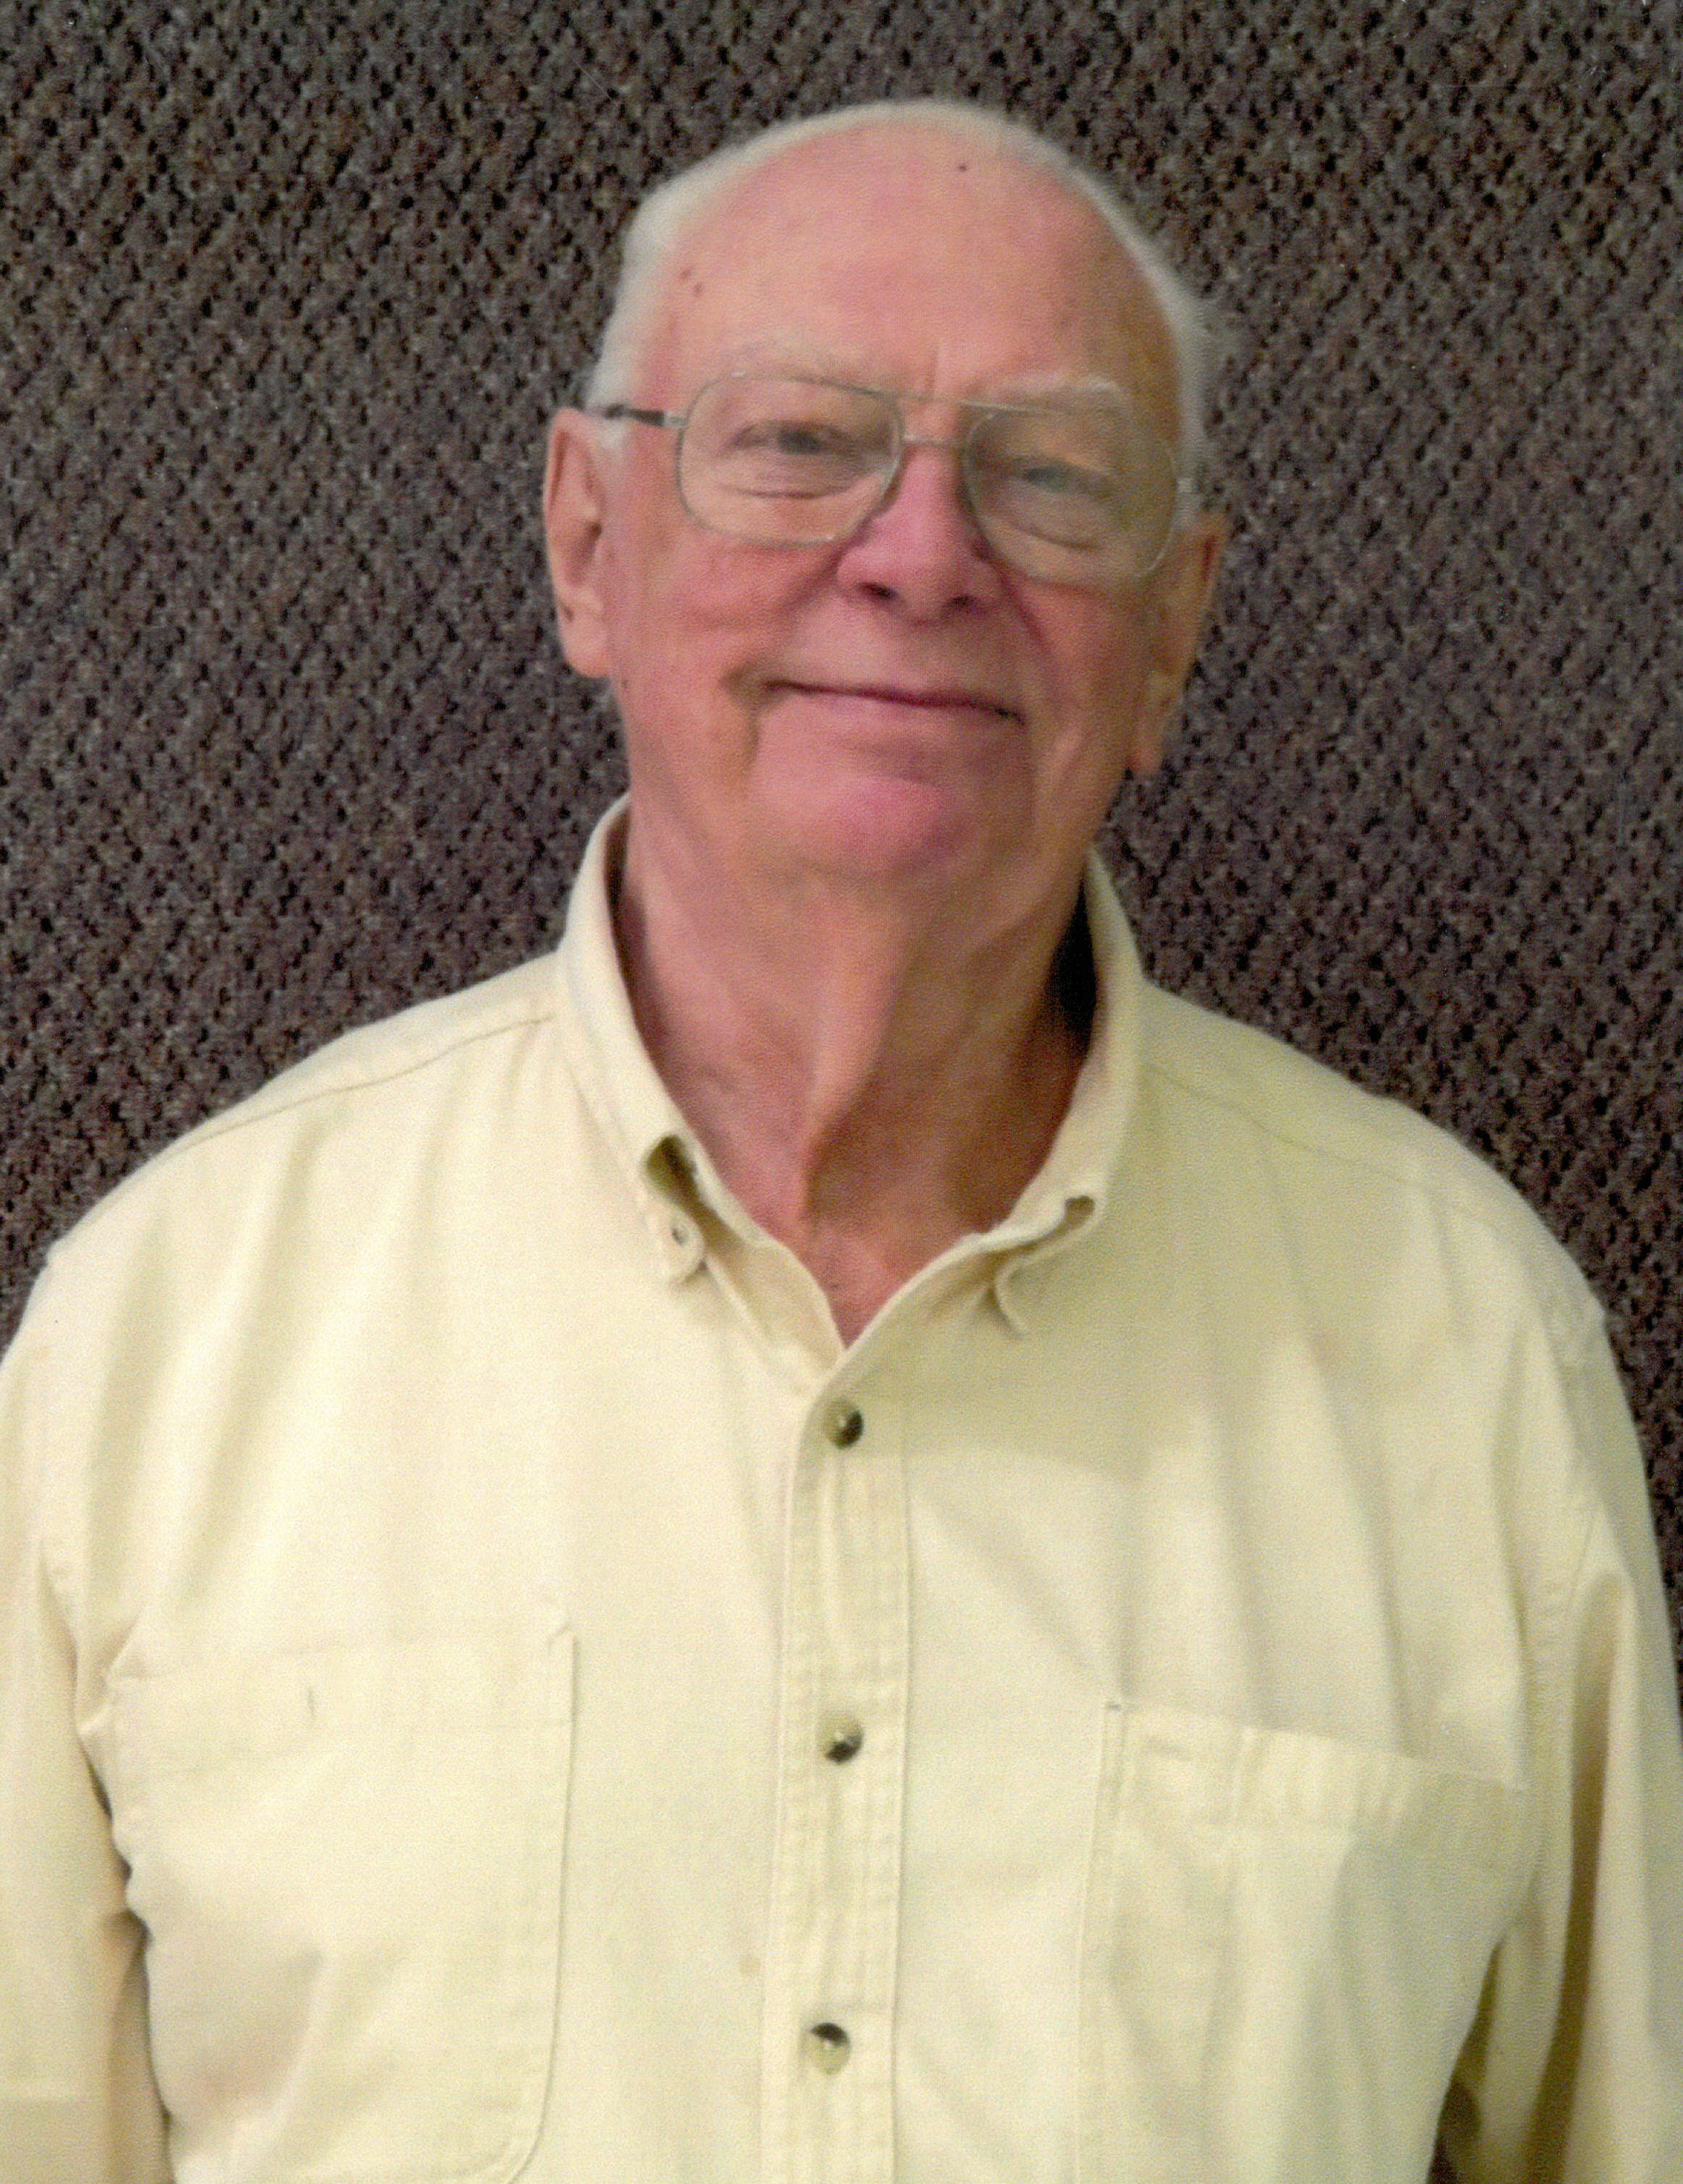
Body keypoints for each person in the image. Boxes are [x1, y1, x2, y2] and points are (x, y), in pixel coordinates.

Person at [1, 97, 1679, 2184]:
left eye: (1049, 476)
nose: (921, 555)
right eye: (799, 443)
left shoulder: (1469, 1355)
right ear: (588, 545)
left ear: (1173, 628)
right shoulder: (161, 1341)